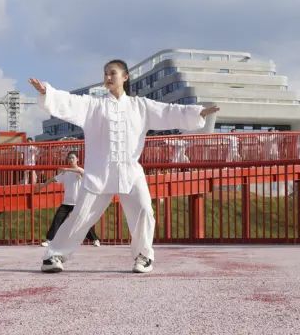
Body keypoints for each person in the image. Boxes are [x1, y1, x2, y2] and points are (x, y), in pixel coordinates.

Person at [30, 59, 218, 274]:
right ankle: (54, 255)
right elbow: (71, 102)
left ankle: (143, 256)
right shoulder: (94, 105)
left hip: (130, 172)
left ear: (125, 77)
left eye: (112, 73)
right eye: (105, 74)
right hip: (99, 173)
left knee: (144, 211)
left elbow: (168, 111)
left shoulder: (141, 106)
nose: (108, 77)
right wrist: (49, 94)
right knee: (80, 216)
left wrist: (197, 113)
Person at [35, 151, 100, 248]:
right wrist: (42, 186)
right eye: (69, 158)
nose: (70, 160)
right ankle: (49, 240)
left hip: (78, 203)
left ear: (77, 159)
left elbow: (81, 172)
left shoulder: (80, 170)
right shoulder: (65, 173)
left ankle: (95, 240)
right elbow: (53, 179)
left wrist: (66, 169)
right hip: (66, 203)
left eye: (72, 158)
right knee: (57, 220)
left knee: (83, 222)